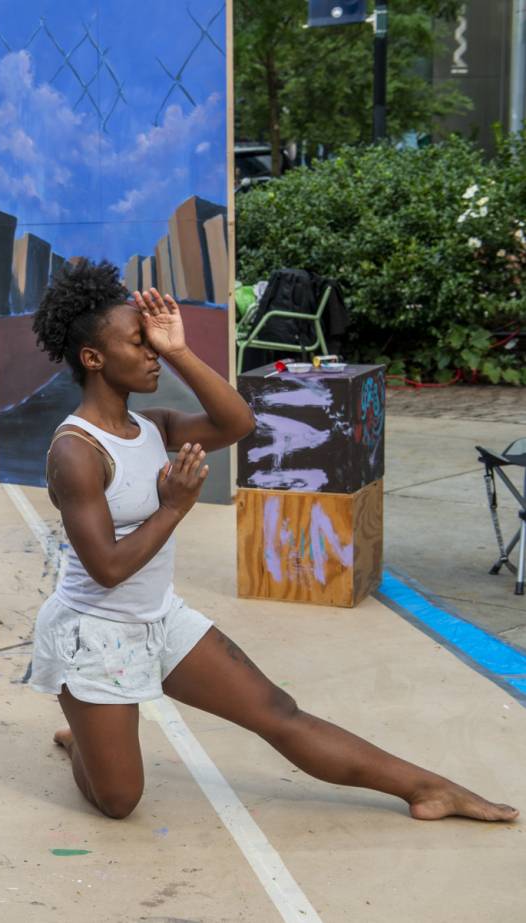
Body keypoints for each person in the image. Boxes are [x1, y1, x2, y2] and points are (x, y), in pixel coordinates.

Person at [31, 258, 517, 823]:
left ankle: (430, 787)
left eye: (153, 343)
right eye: (139, 343)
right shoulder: (76, 451)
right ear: (93, 358)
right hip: (94, 632)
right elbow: (108, 569)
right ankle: (83, 741)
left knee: (277, 712)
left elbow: (240, 423)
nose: (152, 353)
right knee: (120, 801)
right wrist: (174, 507)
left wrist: (182, 350)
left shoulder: (152, 427)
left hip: (159, 617)